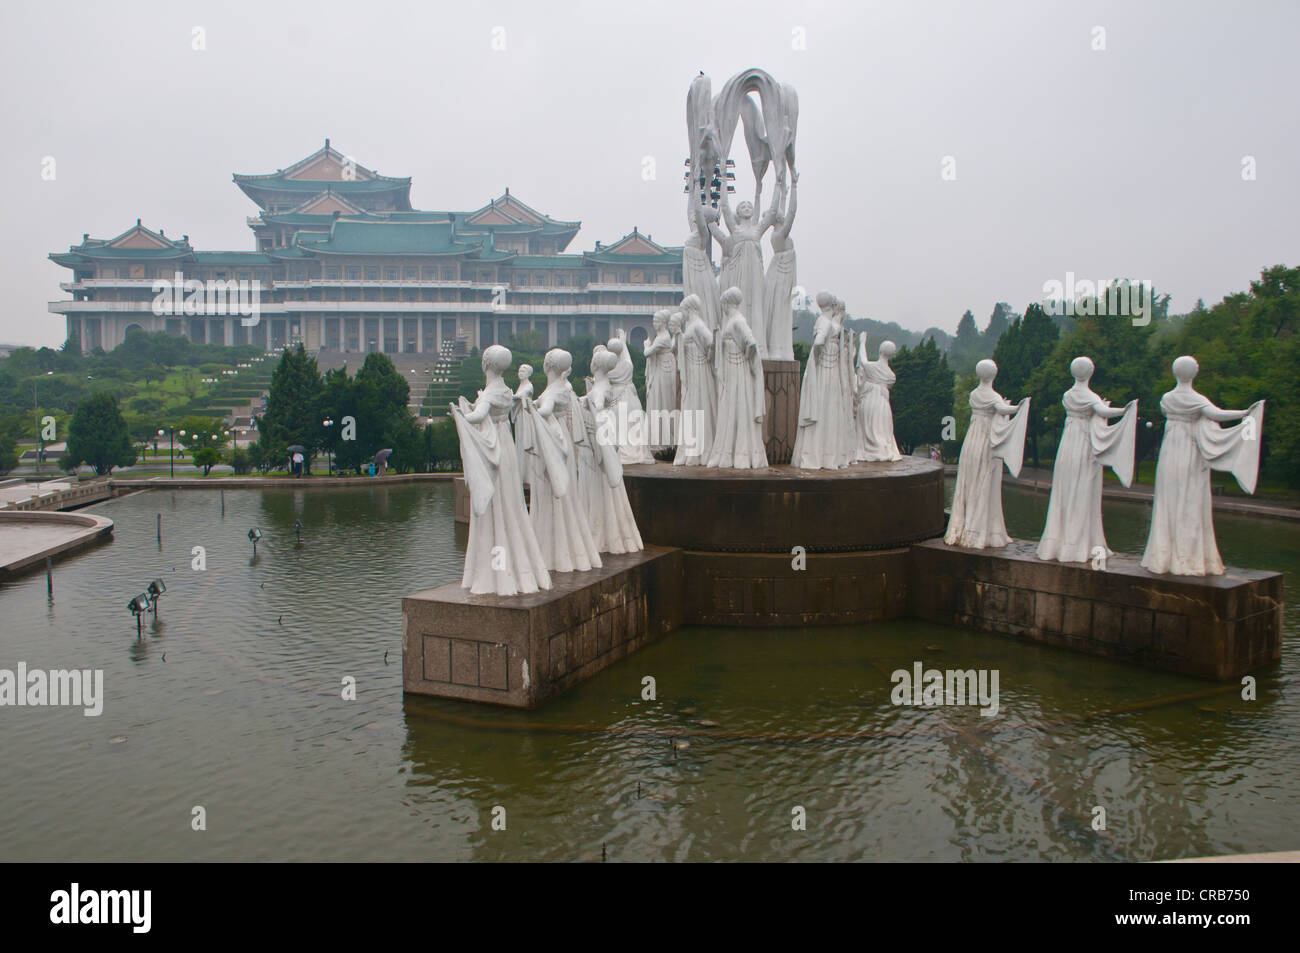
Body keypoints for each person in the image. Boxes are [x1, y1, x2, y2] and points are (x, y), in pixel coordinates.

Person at [1140, 355, 1264, 576]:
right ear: (1194, 373)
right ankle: (1188, 558)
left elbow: (1167, 412)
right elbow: (1217, 414)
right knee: (1190, 499)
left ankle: (1162, 556)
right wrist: (1244, 414)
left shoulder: (1166, 398)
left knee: (1169, 500)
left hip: (1169, 451)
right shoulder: (1197, 399)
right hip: (1189, 451)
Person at [449, 345, 552, 596]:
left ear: (486, 364)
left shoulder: (489, 394)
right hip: (505, 444)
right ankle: (520, 567)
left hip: (492, 448)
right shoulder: (506, 390)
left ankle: (497, 572)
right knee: (511, 503)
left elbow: (478, 417)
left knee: (495, 505)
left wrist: (460, 413)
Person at [1036, 356, 1136, 564]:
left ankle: (1058, 541)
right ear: (1091, 372)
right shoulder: (1091, 397)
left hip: (1067, 442)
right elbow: (1102, 411)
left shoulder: (1067, 395)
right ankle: (1077, 543)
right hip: (1083, 444)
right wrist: (1125, 411)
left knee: (1065, 489)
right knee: (1082, 489)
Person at [526, 348, 602, 573]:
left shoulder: (551, 393)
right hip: (564, 438)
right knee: (567, 495)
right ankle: (572, 547)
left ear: (548, 365)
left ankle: (552, 551)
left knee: (551, 494)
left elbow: (545, 409)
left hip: (552, 440)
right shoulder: (565, 386)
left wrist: (530, 409)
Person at [944, 359, 1029, 549]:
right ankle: (979, 531)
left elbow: (995, 407)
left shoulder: (974, 394)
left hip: (971, 439)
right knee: (983, 482)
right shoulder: (994, 396)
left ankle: (963, 528)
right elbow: (1002, 409)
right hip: (985, 442)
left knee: (969, 482)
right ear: (994, 374)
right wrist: (1019, 408)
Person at [792, 292, 855, 469]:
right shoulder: (825, 323)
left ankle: (826, 454)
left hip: (828, 373)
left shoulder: (824, 321)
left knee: (828, 411)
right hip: (826, 374)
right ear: (831, 305)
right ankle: (822, 455)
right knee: (825, 410)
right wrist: (819, 361)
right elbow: (819, 342)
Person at [706, 287, 768, 469]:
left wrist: (745, 359)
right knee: (730, 410)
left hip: (738, 374)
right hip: (732, 374)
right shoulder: (731, 321)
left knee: (739, 410)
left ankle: (741, 453)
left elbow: (751, 342)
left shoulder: (737, 321)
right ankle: (727, 452)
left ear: (727, 303)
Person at [673, 295, 717, 466]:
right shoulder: (690, 326)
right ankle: (690, 449)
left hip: (700, 374)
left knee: (700, 407)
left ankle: (702, 449)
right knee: (691, 409)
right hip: (692, 374)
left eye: (683, 309)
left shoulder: (698, 325)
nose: (682, 313)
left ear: (689, 308)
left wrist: (706, 358)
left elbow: (711, 344)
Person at [854, 337, 903, 463]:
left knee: (869, 424)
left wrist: (862, 343)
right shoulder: (891, 376)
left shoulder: (871, 367)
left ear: (880, 351)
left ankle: (870, 449)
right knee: (881, 426)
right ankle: (881, 447)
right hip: (882, 403)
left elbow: (863, 361)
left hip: (870, 400)